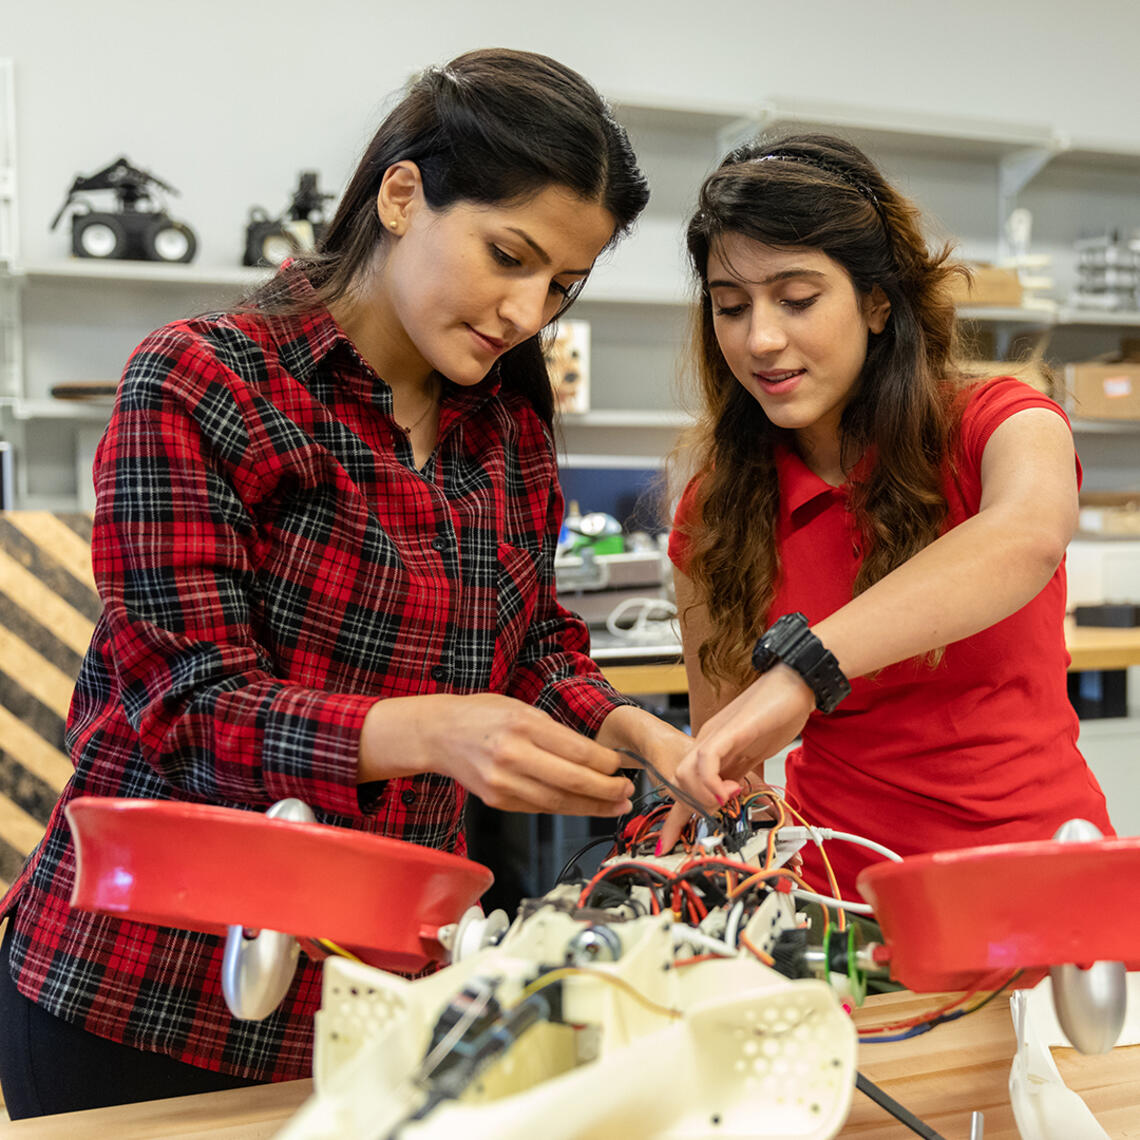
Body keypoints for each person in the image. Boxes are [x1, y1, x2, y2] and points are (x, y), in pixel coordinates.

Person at [0, 48, 691, 1118]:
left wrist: (635, 732)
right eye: (508, 255)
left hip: (384, 991)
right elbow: (187, 704)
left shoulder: (505, 426)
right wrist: (432, 731)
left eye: (559, 284)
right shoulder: (201, 381)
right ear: (403, 194)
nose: (525, 311)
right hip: (151, 989)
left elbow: (536, 646)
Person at [658, 134, 1113, 901]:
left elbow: (1025, 537)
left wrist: (803, 674)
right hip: (846, 907)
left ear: (877, 301)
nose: (760, 339)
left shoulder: (999, 424)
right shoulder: (716, 508)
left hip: (1042, 889)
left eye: (797, 299)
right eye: (730, 307)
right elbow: (735, 763)